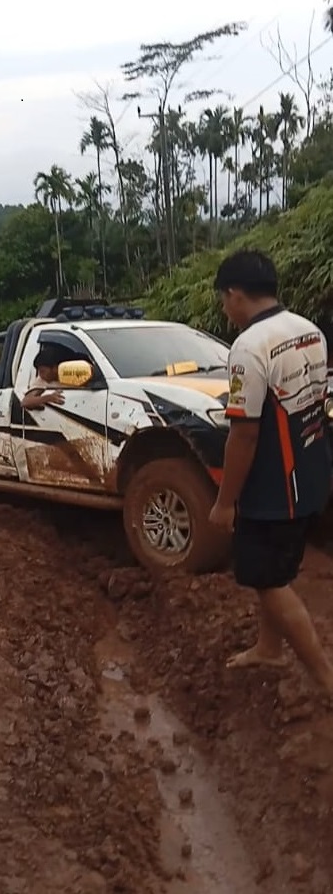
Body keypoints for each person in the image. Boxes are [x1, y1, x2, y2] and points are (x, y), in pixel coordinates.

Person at [209, 249, 333, 696]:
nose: (226, 310)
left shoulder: (248, 347)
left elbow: (244, 434)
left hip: (274, 488)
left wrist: (225, 502)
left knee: (266, 579)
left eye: (224, 300)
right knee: (276, 571)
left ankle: (325, 678)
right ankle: (269, 646)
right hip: (312, 472)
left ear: (235, 294)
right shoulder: (308, 330)